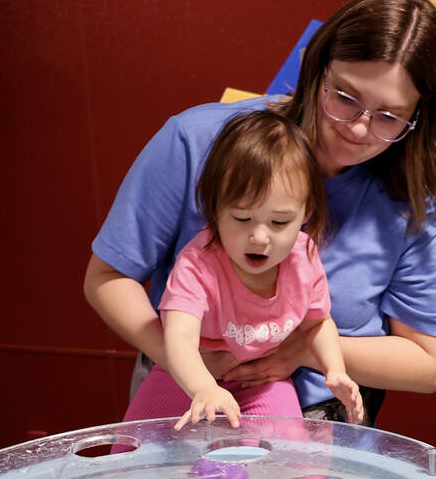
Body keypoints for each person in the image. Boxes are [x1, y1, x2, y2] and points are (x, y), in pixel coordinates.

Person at [84, 0, 436, 425]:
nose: (358, 129)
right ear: (316, 69)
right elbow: (108, 276)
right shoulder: (198, 140)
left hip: (319, 416)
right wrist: (187, 361)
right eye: (345, 97)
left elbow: (429, 363)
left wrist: (302, 351)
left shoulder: (413, 203)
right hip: (184, 393)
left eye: (389, 116)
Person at [126, 109, 363, 430]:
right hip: (188, 373)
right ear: (215, 210)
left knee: (290, 459)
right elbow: (179, 338)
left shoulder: (303, 257)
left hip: (262, 383)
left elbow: (317, 323)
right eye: (242, 218)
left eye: (279, 222)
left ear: (306, 212)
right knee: (133, 451)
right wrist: (204, 388)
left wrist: (334, 370)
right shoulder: (199, 264)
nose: (260, 237)